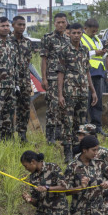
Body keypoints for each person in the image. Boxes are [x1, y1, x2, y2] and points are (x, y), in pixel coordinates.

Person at [56, 23, 97, 163]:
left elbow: (87, 72)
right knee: (67, 123)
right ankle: (67, 152)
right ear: (69, 34)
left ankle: (78, 151)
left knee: (80, 124)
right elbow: (60, 73)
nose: (76, 35)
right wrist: (60, 94)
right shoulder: (64, 50)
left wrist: (93, 91)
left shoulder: (85, 50)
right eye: (73, 33)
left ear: (82, 34)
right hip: (69, 92)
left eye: (79, 33)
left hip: (83, 91)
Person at [41, 12, 69, 143]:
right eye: (58, 22)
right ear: (54, 23)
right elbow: (44, 59)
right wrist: (44, 78)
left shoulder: (68, 39)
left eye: (63, 22)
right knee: (52, 107)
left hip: (66, 78)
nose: (61, 25)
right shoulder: (48, 38)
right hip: (52, 77)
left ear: (66, 23)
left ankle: (59, 132)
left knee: (63, 106)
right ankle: (50, 136)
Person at [11, 16, 35, 141]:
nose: (21, 27)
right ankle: (9, 136)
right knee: (10, 108)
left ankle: (22, 134)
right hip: (10, 80)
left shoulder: (27, 42)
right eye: (19, 24)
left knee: (24, 108)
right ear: (13, 25)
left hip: (24, 80)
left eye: (23, 25)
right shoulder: (8, 41)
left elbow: (28, 61)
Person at [82, 18, 107, 130]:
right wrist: (95, 52)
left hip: (99, 72)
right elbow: (81, 53)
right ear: (85, 29)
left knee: (98, 101)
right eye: (92, 31)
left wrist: (103, 53)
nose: (95, 33)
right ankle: (86, 128)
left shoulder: (97, 39)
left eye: (96, 30)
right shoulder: (81, 38)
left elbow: (100, 54)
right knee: (86, 101)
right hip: (88, 72)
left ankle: (97, 127)